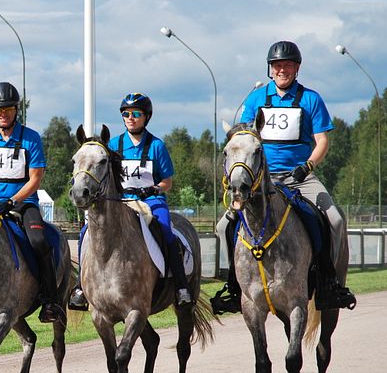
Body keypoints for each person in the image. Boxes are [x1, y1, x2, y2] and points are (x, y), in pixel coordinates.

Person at [211, 41, 357, 314]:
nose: (282, 70)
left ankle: (329, 283)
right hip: (262, 180)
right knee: (223, 227)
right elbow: (242, 136)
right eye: (277, 66)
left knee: (335, 219)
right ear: (270, 69)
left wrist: (309, 166)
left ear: (296, 68)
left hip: (300, 177)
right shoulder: (256, 99)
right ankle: (234, 286)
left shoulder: (310, 99)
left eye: (287, 65)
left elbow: (322, 140)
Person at [68, 92, 194, 310]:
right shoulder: (114, 144)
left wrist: (153, 189)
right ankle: (81, 285)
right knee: (84, 232)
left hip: (151, 201)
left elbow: (167, 181)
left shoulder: (156, 146)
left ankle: (181, 286)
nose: (131, 118)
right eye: (126, 114)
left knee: (166, 230)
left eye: (136, 114)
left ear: (146, 117)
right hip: (121, 202)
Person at [0, 81, 64, 323]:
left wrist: (12, 201)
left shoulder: (31, 139)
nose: (3, 114)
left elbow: (35, 179)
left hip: (24, 204)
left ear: (16, 110)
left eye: (8, 109)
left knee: (39, 241)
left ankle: (50, 301)